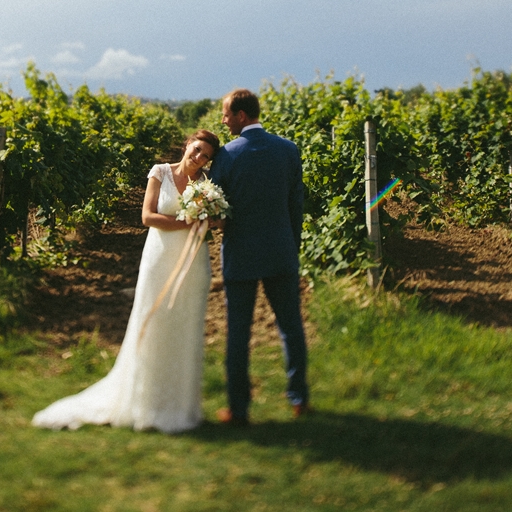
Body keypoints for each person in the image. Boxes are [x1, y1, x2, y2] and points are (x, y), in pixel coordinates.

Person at [31, 129, 221, 433]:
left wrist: (211, 216)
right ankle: (144, 402)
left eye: (205, 156)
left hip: (193, 262)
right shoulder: (161, 172)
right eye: (196, 150)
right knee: (154, 320)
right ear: (187, 145)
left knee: (184, 326)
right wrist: (185, 220)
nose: (198, 158)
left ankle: (178, 404)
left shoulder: (207, 183)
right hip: (159, 258)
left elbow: (219, 219)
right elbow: (147, 217)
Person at [209, 89, 308, 425]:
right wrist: (291, 245)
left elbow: (217, 209)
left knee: (238, 333)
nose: (223, 121)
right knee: (291, 328)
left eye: (225, 114)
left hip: (241, 255)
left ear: (240, 116)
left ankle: (239, 409)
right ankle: (299, 398)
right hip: (281, 251)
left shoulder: (226, 156)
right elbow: (296, 205)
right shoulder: (288, 150)